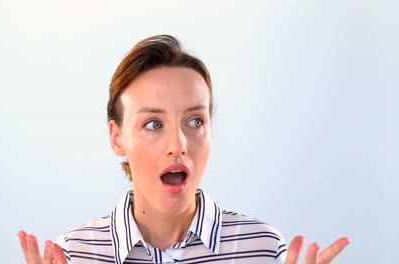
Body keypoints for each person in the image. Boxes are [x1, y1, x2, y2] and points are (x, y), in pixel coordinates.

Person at [18, 35, 350, 264]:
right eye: (153, 124)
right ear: (117, 137)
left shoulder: (263, 249)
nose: (178, 145)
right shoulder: (74, 255)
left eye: (194, 122)